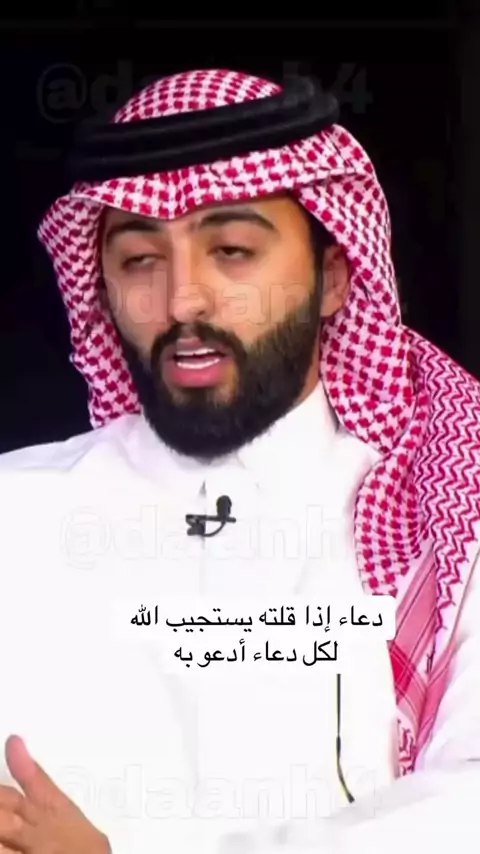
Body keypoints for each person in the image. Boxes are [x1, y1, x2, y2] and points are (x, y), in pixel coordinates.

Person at [0, 67, 479, 853]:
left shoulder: (445, 511)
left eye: (231, 251)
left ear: (332, 278)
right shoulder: (16, 508)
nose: (183, 301)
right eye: (140, 260)